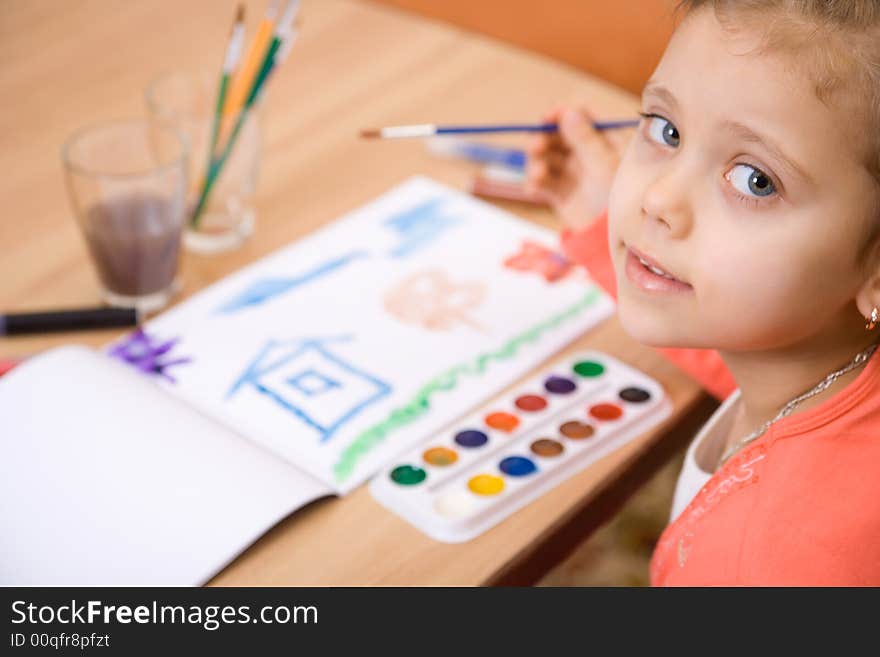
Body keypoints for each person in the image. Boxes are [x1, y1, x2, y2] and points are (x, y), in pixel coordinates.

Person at [527, 0, 880, 585]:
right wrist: (597, 227)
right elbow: (754, 360)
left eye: (755, 180)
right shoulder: (819, 362)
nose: (658, 199)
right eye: (666, 130)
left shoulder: (768, 564)